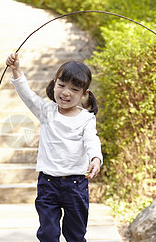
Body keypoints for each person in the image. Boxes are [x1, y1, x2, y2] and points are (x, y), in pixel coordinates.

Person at [6, 53, 103, 242]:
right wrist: (16, 69)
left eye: (74, 89)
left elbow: (92, 140)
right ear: (54, 84)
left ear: (84, 94)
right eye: (61, 85)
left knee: (75, 234)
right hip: (48, 184)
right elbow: (27, 95)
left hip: (76, 185)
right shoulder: (47, 111)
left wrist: (96, 158)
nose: (65, 92)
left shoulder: (86, 119)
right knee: (48, 234)